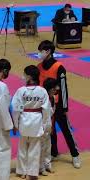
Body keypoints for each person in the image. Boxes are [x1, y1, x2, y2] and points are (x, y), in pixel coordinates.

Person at [37, 40, 81, 168]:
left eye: (41, 51)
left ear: (48, 52)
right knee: (50, 131)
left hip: (59, 104)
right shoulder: (39, 67)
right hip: (45, 105)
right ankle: (54, 152)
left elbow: (63, 87)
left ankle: (75, 154)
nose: (39, 53)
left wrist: (65, 107)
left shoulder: (59, 67)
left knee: (66, 130)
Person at [12, 65, 51, 180]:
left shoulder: (21, 91)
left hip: (24, 120)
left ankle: (22, 171)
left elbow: (16, 109)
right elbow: (46, 110)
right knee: (34, 148)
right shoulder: (42, 91)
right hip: (37, 120)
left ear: (29, 76)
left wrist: (15, 124)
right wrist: (45, 125)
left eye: (25, 74)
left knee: (22, 147)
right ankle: (32, 173)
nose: (23, 76)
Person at [39, 78, 58, 176]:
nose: (57, 89)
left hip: (48, 124)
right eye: (55, 88)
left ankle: (47, 165)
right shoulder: (42, 98)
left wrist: (51, 127)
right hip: (41, 125)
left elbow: (52, 114)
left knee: (47, 147)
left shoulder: (53, 98)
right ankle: (41, 168)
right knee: (41, 147)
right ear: (50, 89)